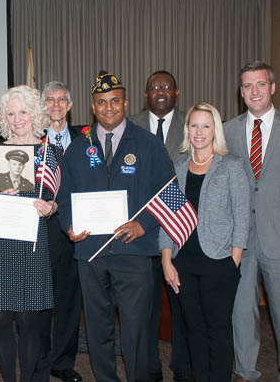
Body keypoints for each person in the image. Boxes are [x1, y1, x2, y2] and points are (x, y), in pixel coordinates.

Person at [57, 71, 175, 382]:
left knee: (136, 330)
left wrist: (144, 224)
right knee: (97, 328)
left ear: (125, 103)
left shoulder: (148, 144)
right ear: (93, 107)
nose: (109, 108)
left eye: (114, 101)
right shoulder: (78, 147)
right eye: (101, 103)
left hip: (133, 251)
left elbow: (170, 194)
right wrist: (69, 225)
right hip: (90, 252)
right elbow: (63, 197)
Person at [0, 85, 61, 382]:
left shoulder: (51, 154)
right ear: (3, 118)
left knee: (29, 320)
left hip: (32, 245)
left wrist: (50, 208)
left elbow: (61, 198)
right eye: (11, 113)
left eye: (23, 111)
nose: (17, 118)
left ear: (34, 113)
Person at [160, 103, 249, 381]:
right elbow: (167, 218)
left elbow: (242, 217)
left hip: (218, 263)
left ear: (215, 130)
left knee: (218, 330)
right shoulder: (179, 167)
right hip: (184, 263)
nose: (199, 132)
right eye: (194, 125)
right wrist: (166, 260)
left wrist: (233, 262)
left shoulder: (231, 166)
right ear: (187, 129)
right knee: (193, 329)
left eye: (206, 126)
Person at [129, 70, 190, 382]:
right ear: (145, 94)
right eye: (154, 87)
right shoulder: (131, 126)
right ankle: (150, 368)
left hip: (180, 228)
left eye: (166, 87)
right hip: (143, 230)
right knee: (147, 307)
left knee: (183, 305)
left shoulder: (192, 124)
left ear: (177, 92)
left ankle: (183, 366)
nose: (161, 91)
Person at [225, 61, 280, 382]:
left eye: (260, 84)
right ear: (240, 91)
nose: (254, 91)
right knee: (241, 309)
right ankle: (246, 370)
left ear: (272, 88)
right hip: (240, 240)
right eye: (247, 86)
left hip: (277, 235)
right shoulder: (228, 130)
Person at [32, 81, 83, 382]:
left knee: (69, 302)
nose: (55, 105)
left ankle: (62, 363)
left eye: (61, 99)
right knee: (39, 301)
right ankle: (39, 360)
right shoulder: (33, 142)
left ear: (70, 105)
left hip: (76, 232)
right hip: (42, 231)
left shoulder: (86, 141)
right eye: (49, 100)